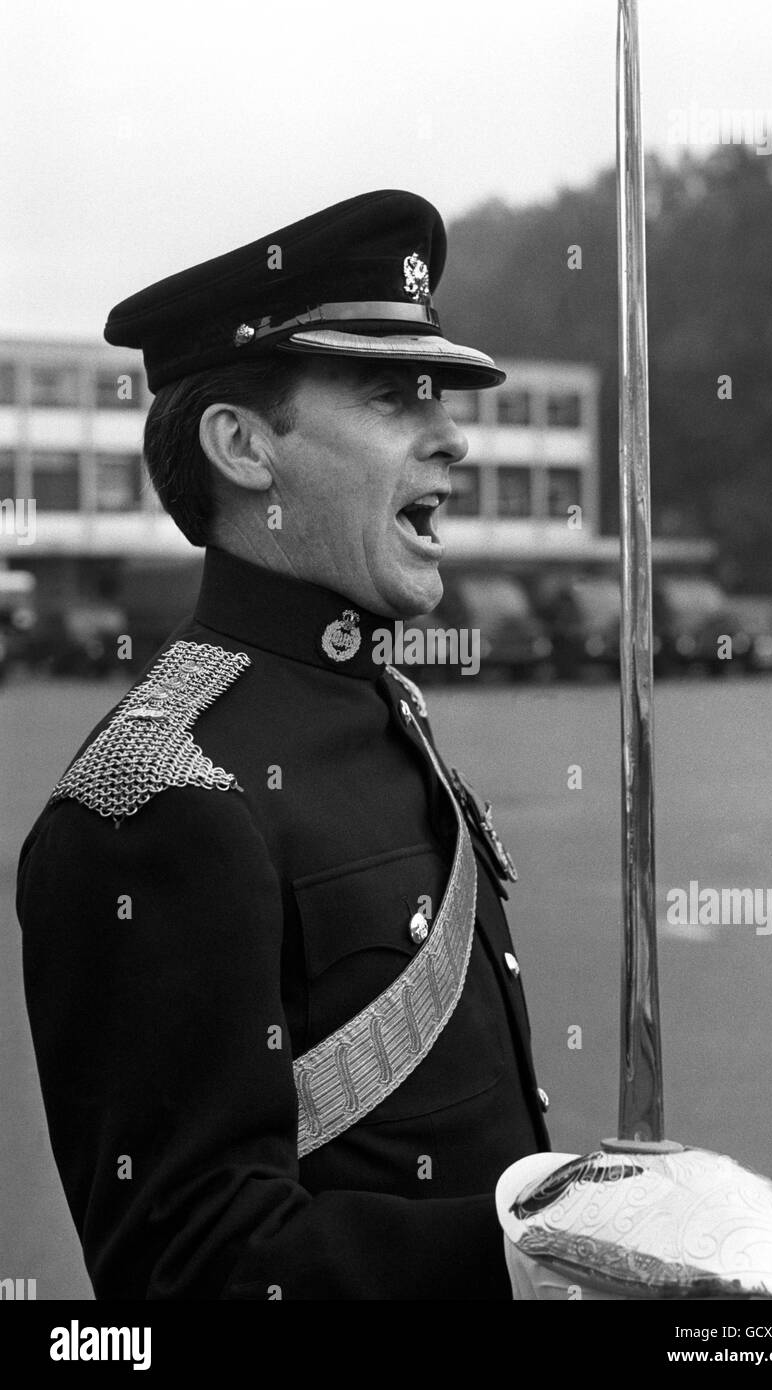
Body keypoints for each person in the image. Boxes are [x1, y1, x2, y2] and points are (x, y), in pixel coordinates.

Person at [17, 189, 550, 1301]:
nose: (452, 434)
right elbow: (193, 1269)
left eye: (437, 395)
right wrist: (528, 1257)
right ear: (244, 446)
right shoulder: (158, 794)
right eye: (390, 395)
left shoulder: (384, 706)